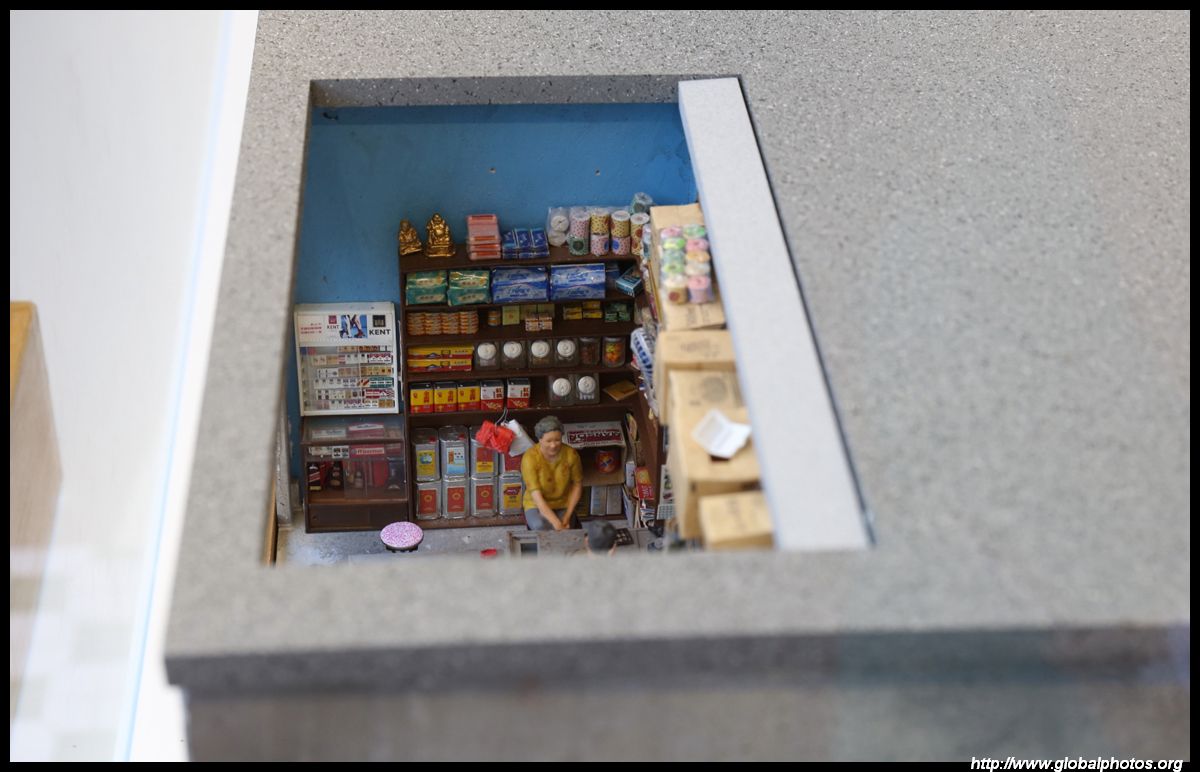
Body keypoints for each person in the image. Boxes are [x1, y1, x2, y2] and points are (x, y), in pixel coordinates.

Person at [520, 416, 582, 531]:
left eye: (557, 440)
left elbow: (577, 484)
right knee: (541, 526)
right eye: (548, 441)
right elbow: (536, 495)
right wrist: (555, 522)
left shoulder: (571, 454)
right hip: (535, 504)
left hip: (564, 503)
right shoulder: (530, 458)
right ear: (540, 439)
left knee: (567, 528)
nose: (553, 445)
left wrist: (567, 516)